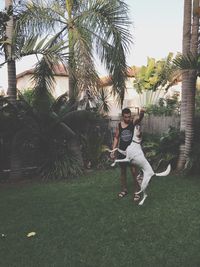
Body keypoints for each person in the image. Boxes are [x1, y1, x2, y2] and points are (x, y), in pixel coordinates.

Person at [110, 107, 145, 201]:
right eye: (126, 117)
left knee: (134, 172)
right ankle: (124, 190)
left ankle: (137, 192)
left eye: (129, 117)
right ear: (122, 117)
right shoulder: (119, 125)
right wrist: (113, 150)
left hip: (132, 152)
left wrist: (141, 113)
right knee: (123, 172)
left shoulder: (132, 123)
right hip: (122, 152)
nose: (128, 119)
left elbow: (139, 119)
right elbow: (116, 138)